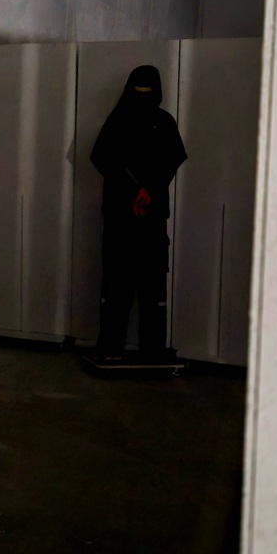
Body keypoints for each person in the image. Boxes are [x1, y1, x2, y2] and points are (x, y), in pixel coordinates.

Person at [90, 65, 187, 362]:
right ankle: (111, 347)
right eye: (138, 91)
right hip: (121, 216)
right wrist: (135, 191)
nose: (143, 97)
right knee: (118, 284)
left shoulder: (164, 122)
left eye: (148, 91)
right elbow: (102, 158)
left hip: (152, 218)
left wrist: (148, 191)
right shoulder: (117, 121)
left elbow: (172, 161)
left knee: (152, 286)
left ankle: (153, 350)